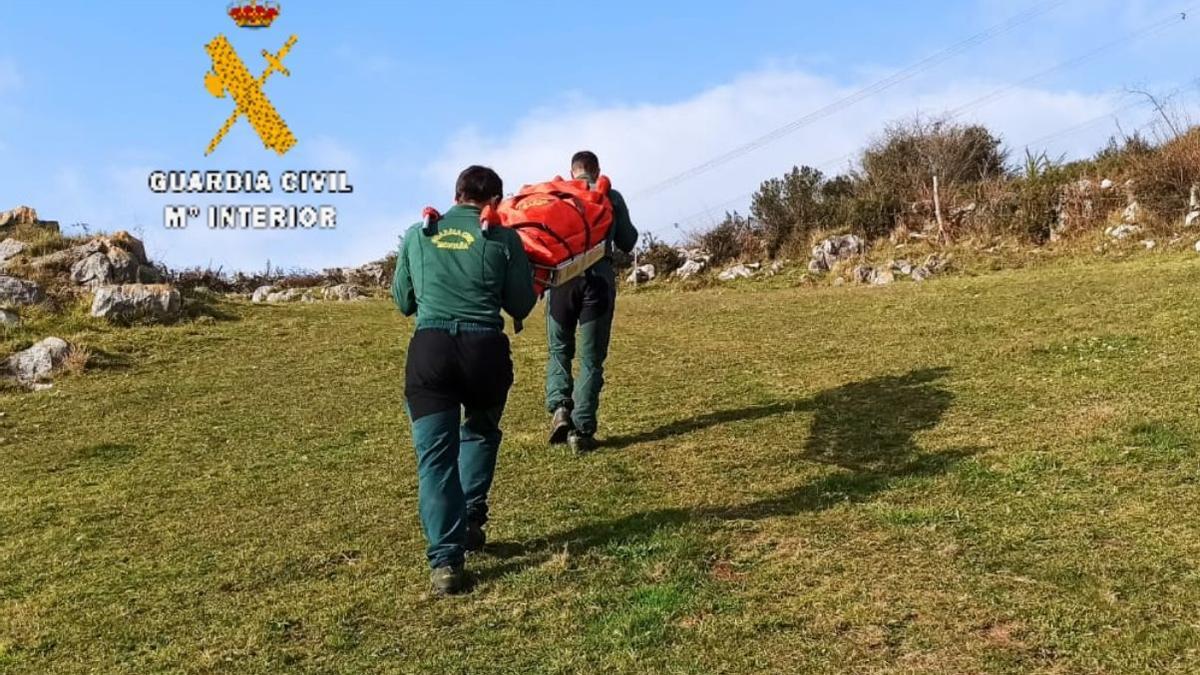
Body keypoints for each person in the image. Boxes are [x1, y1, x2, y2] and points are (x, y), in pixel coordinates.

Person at [392, 165, 537, 595]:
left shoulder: (419, 234)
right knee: (479, 432)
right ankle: (471, 517)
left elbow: (403, 301)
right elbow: (521, 303)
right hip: (484, 350)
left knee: (435, 460)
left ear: (456, 195)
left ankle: (446, 566)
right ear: (495, 201)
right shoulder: (503, 237)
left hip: (430, 350)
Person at [545, 151, 639, 454]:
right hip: (597, 280)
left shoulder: (559, 195)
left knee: (559, 350)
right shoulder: (609, 195)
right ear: (597, 171)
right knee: (590, 359)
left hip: (560, 282)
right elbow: (628, 240)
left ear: (572, 172)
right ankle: (582, 431)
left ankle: (560, 407)